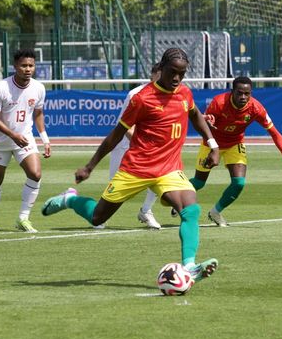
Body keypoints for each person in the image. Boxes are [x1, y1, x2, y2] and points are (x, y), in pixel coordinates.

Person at [40, 48, 220, 282]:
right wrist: (89, 166)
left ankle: (189, 266)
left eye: (182, 73)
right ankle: (70, 199)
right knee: (98, 218)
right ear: (161, 68)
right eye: (173, 72)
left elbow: (195, 114)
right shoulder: (142, 98)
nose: (177, 78)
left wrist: (212, 143)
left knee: (191, 209)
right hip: (136, 168)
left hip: (169, 169)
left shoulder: (184, 93)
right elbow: (116, 135)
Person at [189, 76, 282, 227]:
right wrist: (209, 122)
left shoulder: (256, 108)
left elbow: (275, 133)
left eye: (247, 93)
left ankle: (215, 212)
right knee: (199, 183)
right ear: (232, 91)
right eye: (239, 93)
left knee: (239, 183)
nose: (243, 97)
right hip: (212, 144)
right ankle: (177, 196)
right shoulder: (219, 102)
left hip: (235, 144)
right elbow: (204, 124)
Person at [0, 49, 50, 233]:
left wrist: (45, 140)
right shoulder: (1, 88)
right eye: (23, 65)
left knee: (35, 174)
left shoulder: (39, 88)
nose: (28, 69)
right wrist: (13, 135)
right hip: (1, 142)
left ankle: (23, 218)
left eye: (31, 65)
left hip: (25, 140)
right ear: (15, 66)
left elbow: (39, 113)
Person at [97, 65, 164, 230]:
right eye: (161, 74)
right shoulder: (136, 94)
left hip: (151, 148)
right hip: (126, 146)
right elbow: (125, 125)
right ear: (153, 75)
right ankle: (101, 217)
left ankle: (146, 210)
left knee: (160, 177)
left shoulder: (168, 95)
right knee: (115, 183)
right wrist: (140, 143)